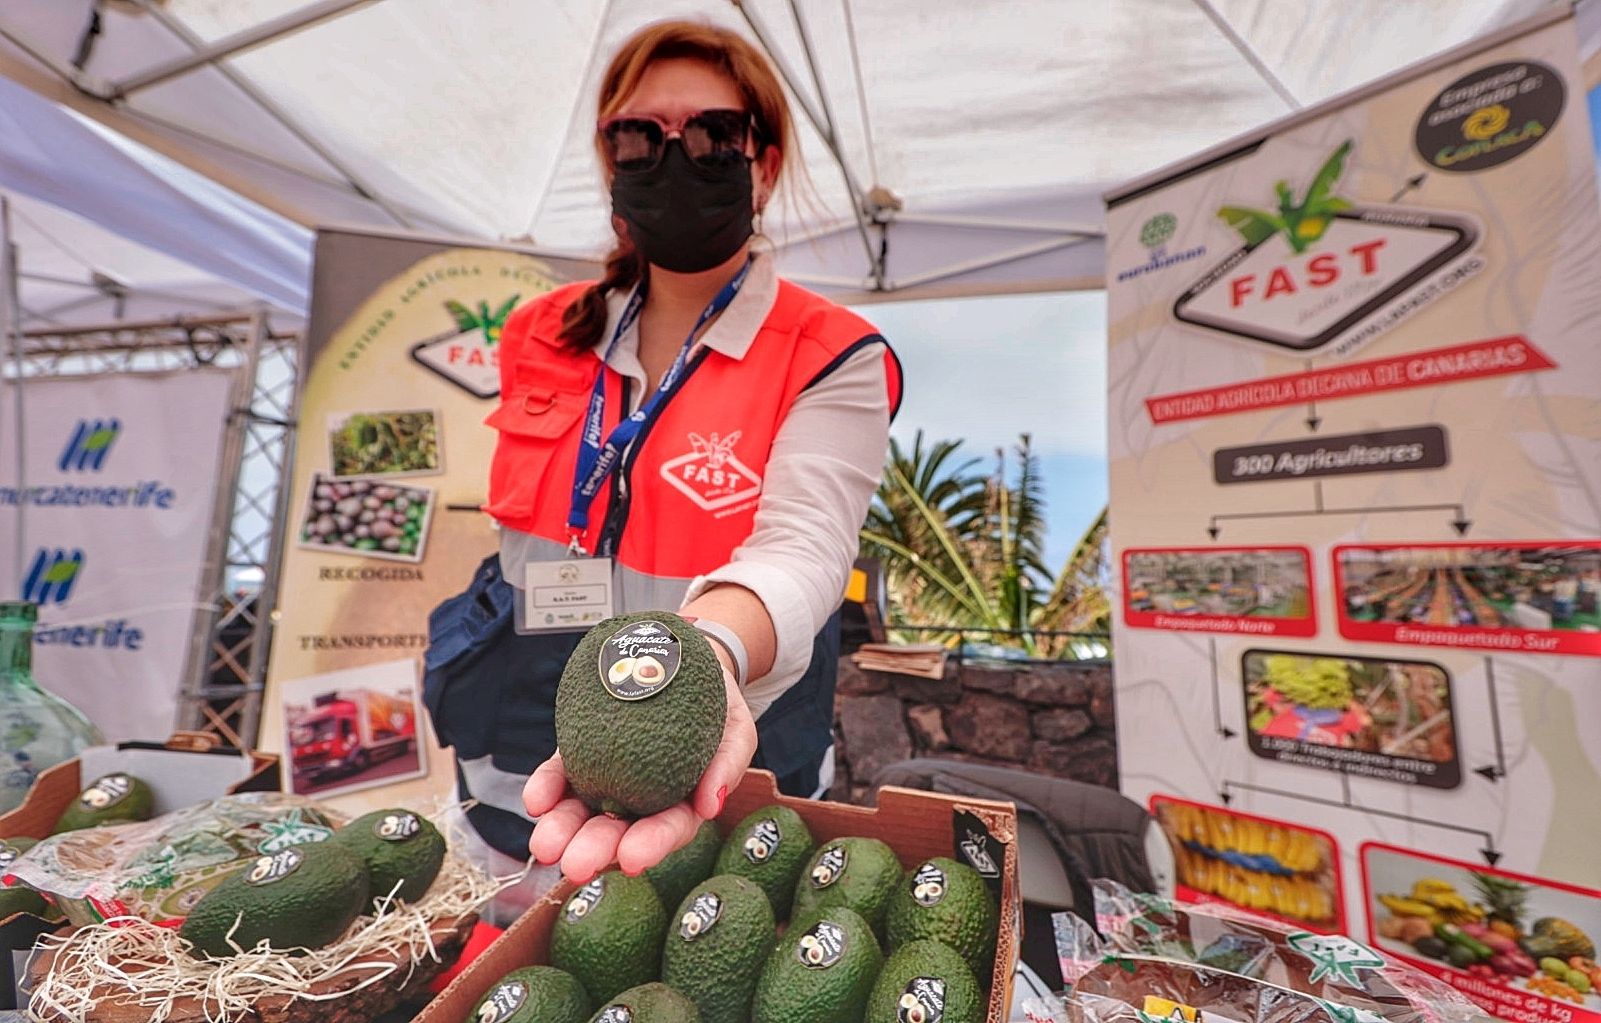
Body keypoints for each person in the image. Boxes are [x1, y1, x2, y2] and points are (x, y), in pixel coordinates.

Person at [422, 19, 900, 915]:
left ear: (762, 160)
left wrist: (705, 657)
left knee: (691, 956)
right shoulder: (542, 329)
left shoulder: (832, 351)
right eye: (639, 135)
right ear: (608, 161)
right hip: (522, 728)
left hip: (710, 730)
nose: (673, 157)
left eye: (712, 133)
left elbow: (804, 547)